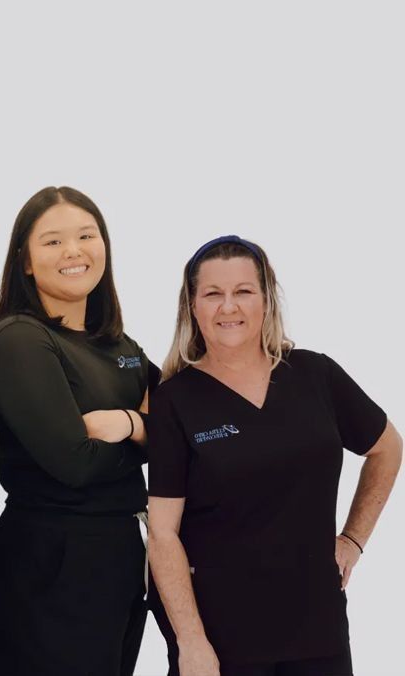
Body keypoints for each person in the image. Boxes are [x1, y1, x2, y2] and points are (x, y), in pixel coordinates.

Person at [147, 235, 402, 676]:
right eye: (213, 294)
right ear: (192, 306)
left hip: (318, 631)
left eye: (243, 291)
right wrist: (191, 642)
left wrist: (353, 539)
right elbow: (163, 534)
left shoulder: (314, 373)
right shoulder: (175, 399)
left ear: (266, 300)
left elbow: (387, 447)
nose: (229, 307)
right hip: (222, 640)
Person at [0, 186, 152, 676]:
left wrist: (127, 423)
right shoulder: (20, 339)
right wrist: (146, 436)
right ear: (26, 262)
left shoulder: (120, 344)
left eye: (86, 235)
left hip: (118, 555)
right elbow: (73, 463)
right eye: (53, 242)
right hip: (51, 562)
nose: (74, 251)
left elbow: (181, 428)